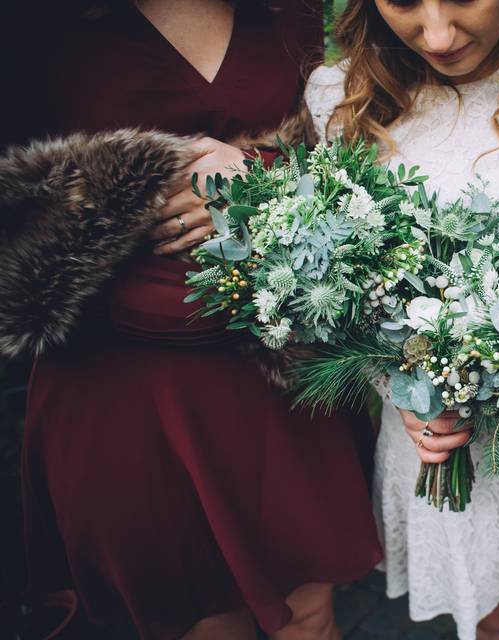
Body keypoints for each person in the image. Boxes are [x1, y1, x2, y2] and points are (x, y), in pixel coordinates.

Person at [0, 1, 382, 638]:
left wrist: (256, 175)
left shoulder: (288, 8)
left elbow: (325, 148)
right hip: (127, 384)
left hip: (272, 368)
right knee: (205, 625)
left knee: (308, 616)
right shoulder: (27, 23)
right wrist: (141, 175)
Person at [306, 1, 499, 638]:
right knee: (485, 620)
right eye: (404, 2)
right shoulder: (341, 97)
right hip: (433, 438)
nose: (436, 35)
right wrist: (405, 387)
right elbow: (343, 287)